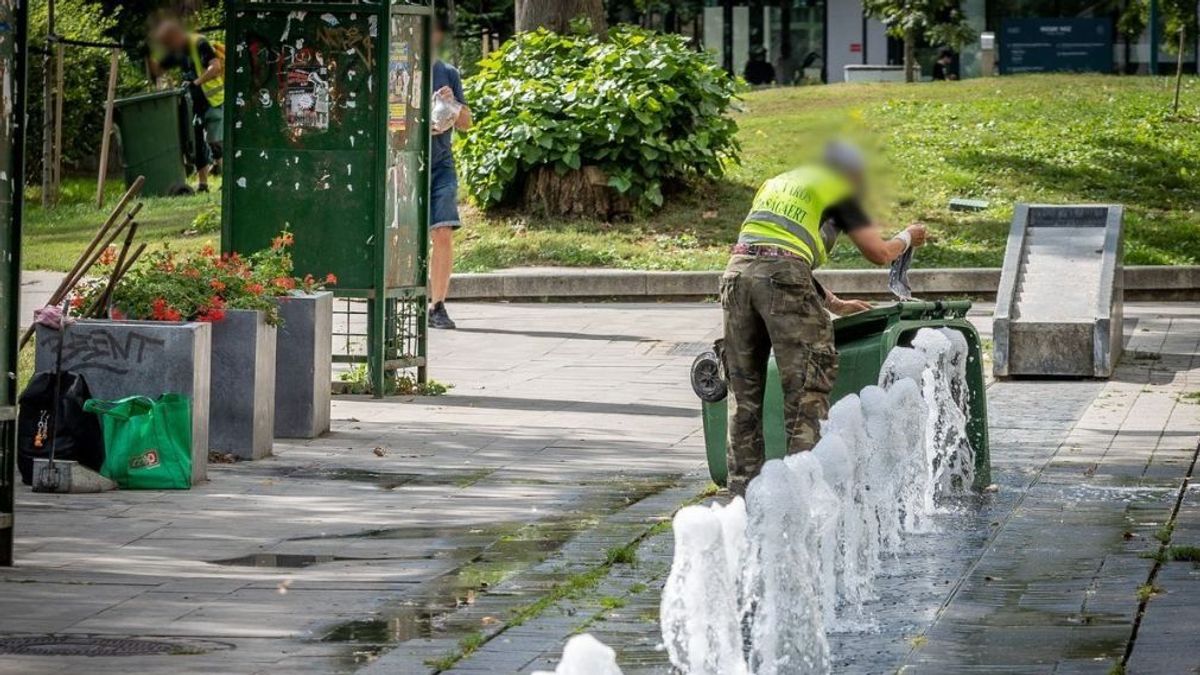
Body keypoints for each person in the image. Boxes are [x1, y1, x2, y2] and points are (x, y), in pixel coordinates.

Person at [721, 141, 927, 496]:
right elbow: (879, 253)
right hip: (781, 278)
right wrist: (908, 237)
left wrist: (835, 303)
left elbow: (771, 251)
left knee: (744, 394)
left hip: (736, 277)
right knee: (805, 389)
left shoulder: (777, 183)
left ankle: (743, 497)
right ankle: (802, 493)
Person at [427, 18, 472, 330]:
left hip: (441, 163)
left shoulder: (448, 72)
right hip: (401, 164)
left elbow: (467, 122)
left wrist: (452, 104)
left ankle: (437, 305)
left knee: (442, 232)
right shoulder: (396, 65)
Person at [149, 18, 224, 193]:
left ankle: (226, 178)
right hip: (194, 102)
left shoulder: (200, 43)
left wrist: (196, 82)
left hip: (213, 100)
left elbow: (216, 67)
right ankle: (203, 185)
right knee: (197, 143)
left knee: (216, 142)